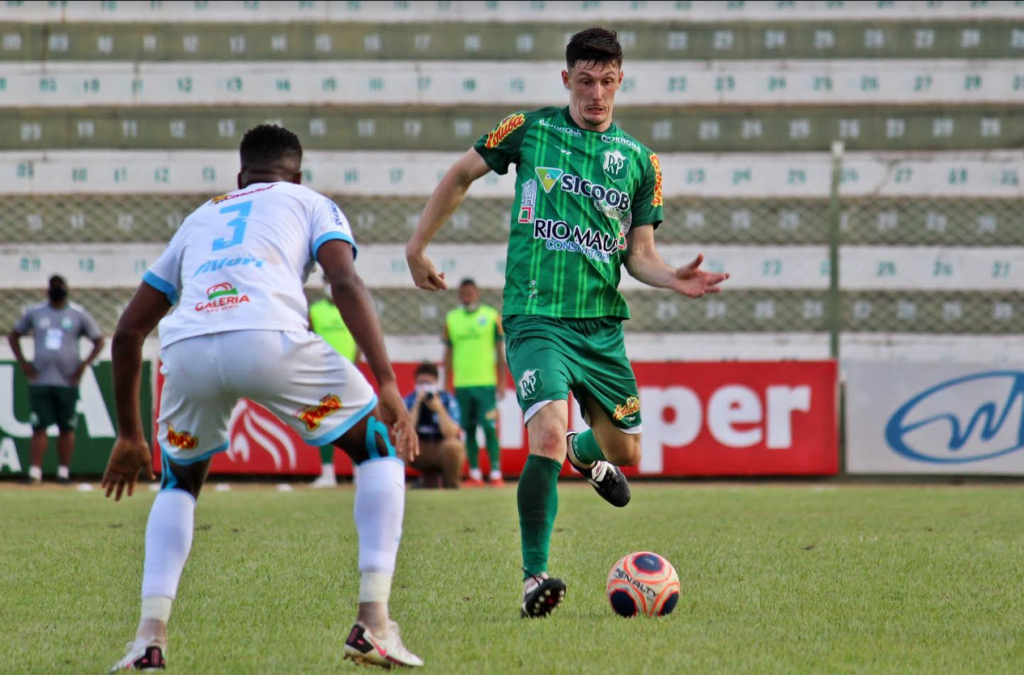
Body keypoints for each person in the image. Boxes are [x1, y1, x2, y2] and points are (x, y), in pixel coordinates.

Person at [406, 27, 729, 618]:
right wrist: (418, 246)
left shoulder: (639, 162)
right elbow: (460, 175)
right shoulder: (531, 130)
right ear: (566, 80)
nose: (596, 93)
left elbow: (639, 255)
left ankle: (589, 455)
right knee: (546, 437)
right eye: (585, 80)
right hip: (536, 318)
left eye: (607, 81)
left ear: (620, 82)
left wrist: (673, 278)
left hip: (601, 327)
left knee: (624, 449)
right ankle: (535, 578)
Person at [101, 124, 424, 670]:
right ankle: (373, 623)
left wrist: (131, 435)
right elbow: (343, 282)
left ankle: (148, 640)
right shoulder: (310, 200)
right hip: (269, 338)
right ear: (296, 174)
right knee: (376, 450)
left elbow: (128, 332)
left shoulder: (200, 217)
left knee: (179, 483)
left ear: (239, 176)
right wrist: (387, 380)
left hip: (189, 350)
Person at [7, 275, 104, 485]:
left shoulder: (78, 314)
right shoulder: (36, 312)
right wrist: (23, 363)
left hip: (67, 380)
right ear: (48, 290)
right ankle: (35, 472)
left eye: (59, 287)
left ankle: (63, 471)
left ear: (66, 290)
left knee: (67, 427)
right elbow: (14, 335)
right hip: (40, 379)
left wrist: (83, 365)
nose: (56, 290)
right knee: (38, 426)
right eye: (53, 287)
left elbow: (98, 339)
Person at [443, 278, 506, 487]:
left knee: (489, 429)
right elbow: (448, 353)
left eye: (471, 291)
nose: (467, 295)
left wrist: (502, 380)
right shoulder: (452, 319)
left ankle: (496, 473)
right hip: (462, 384)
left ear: (477, 293)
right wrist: (447, 382)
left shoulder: (490, 316)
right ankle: (475, 474)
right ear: (459, 294)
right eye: (464, 292)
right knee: (467, 429)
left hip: (486, 383)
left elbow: (499, 351)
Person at [308, 274, 362, 488]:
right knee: (324, 420)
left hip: (349, 372)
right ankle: (328, 473)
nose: (331, 286)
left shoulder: (352, 305)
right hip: (323, 372)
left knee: (354, 423)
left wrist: (356, 368)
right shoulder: (315, 311)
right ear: (323, 285)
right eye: (327, 282)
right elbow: (308, 338)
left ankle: (359, 471)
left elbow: (359, 339)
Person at [403, 362, 464, 489]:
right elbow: (406, 431)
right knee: (401, 443)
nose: (424, 387)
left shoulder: (448, 400)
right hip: (418, 448)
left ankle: (450, 485)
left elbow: (451, 433)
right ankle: (396, 487)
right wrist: (417, 406)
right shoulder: (409, 400)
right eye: (421, 383)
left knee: (454, 446)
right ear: (415, 383)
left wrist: (439, 409)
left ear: (436, 383)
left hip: (441, 448)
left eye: (428, 383)